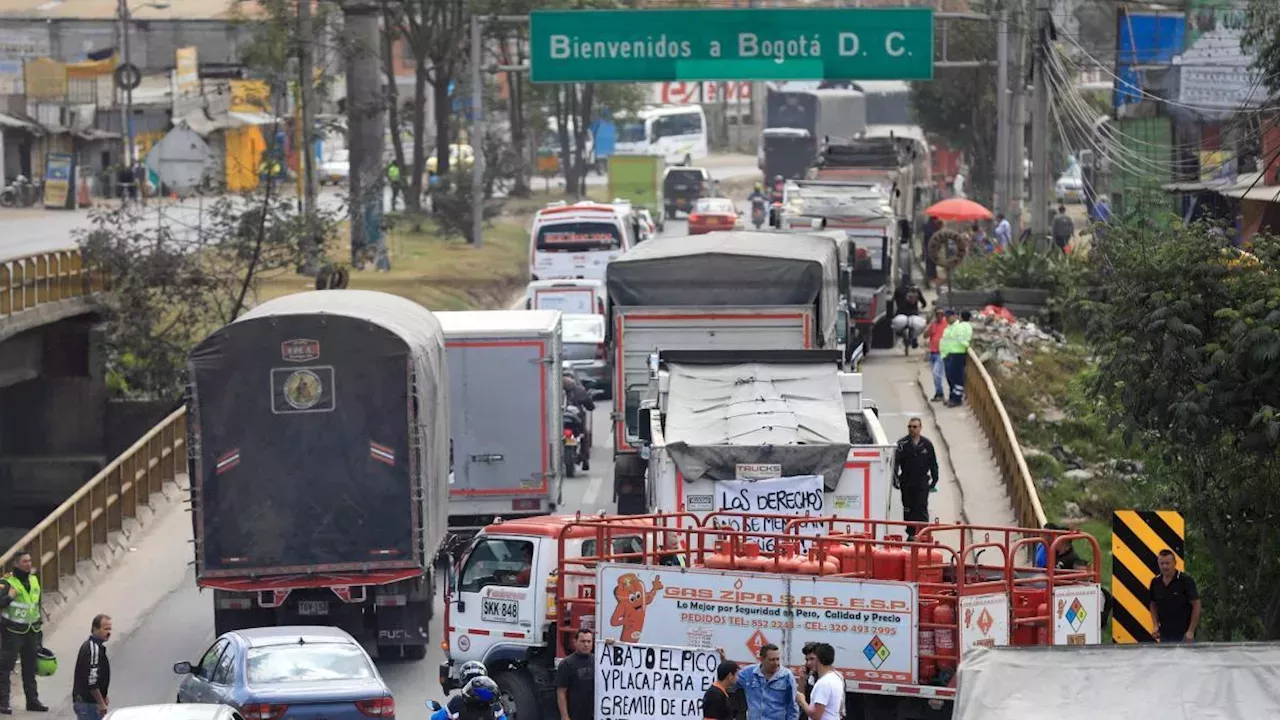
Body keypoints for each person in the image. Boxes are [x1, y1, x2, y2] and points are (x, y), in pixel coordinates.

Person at [0, 551, 47, 713]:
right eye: (25, 561)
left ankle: (32, 701)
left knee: (30, 667)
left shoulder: (34, 580)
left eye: (30, 561)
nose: (28, 564)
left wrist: (39, 632)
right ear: (15, 564)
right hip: (12, 631)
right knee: (5, 668)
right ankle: (3, 703)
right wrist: (10, 597)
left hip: (31, 630)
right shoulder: (6, 583)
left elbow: (36, 606)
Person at [894, 417, 939, 539]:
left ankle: (923, 533)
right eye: (910, 427)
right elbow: (895, 463)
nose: (912, 429)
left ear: (920, 428)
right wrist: (895, 478)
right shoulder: (902, 444)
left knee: (921, 506)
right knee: (908, 507)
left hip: (922, 482)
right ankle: (911, 532)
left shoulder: (927, 444)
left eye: (914, 427)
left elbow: (933, 463)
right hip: (907, 482)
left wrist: (934, 480)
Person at [1148, 549, 1201, 643]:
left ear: (1174, 563)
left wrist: (1191, 631)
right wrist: (1155, 625)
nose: (1165, 566)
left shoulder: (1185, 581)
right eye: (1162, 563)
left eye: (1168, 563)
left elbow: (1196, 605)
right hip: (1164, 634)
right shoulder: (1155, 582)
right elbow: (1153, 604)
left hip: (1184, 635)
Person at [735, 643, 797, 720]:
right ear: (761, 659)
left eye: (777, 659)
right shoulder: (748, 673)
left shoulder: (787, 676)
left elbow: (792, 707)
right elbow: (729, 680)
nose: (776, 663)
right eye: (772, 660)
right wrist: (723, 660)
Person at [71, 615, 111, 720]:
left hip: (88, 702)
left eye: (110, 629)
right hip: (88, 703)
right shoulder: (93, 649)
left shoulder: (96, 647)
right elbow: (92, 681)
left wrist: (104, 696)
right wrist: (101, 702)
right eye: (105, 629)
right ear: (95, 629)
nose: (108, 632)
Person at [555, 629, 594, 720]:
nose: (586, 644)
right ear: (575, 642)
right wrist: (564, 716)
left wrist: (611, 644)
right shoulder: (566, 664)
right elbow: (561, 691)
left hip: (594, 715)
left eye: (589, 641)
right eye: (582, 641)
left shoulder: (597, 661)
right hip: (575, 715)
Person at [795, 643, 840, 720]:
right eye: (807, 660)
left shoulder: (824, 683)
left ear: (820, 659)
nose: (808, 663)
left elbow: (815, 715)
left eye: (812, 659)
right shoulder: (834, 678)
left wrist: (801, 700)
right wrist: (802, 679)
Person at [940, 310, 973, 407]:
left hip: (957, 354)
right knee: (950, 378)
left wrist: (967, 345)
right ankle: (952, 397)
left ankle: (957, 399)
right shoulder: (949, 328)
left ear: (955, 316)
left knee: (957, 378)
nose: (947, 319)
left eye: (949, 317)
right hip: (948, 354)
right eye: (946, 317)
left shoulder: (960, 326)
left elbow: (963, 339)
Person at [891, 282, 927, 349]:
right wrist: (922, 306)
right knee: (916, 326)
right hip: (913, 313)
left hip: (901, 312)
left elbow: (894, 299)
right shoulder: (917, 290)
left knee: (897, 326)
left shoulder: (898, 289)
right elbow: (924, 302)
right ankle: (914, 340)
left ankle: (899, 335)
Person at [925, 309, 948, 402]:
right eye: (937, 314)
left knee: (936, 373)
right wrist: (929, 326)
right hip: (933, 352)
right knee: (936, 374)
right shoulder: (933, 325)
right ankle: (938, 393)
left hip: (941, 352)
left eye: (941, 314)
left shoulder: (946, 324)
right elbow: (925, 335)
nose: (939, 316)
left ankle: (940, 393)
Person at [922, 216, 942, 287]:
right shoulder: (928, 227)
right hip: (929, 247)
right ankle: (930, 279)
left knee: (933, 262)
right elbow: (929, 236)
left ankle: (933, 276)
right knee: (930, 263)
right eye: (936, 220)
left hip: (934, 248)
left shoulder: (934, 226)